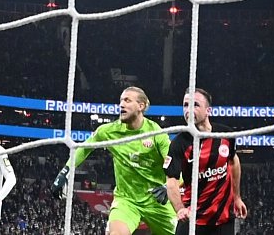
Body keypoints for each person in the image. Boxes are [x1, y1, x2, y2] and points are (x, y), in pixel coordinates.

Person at [51, 86, 176, 235]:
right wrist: (65, 171)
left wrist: (167, 186)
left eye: (127, 100)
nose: (122, 104)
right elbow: (84, 148)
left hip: (157, 201)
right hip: (127, 201)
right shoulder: (109, 131)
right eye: (121, 100)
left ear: (141, 106)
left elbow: (176, 165)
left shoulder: (157, 134)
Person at [164, 88, 248, 235]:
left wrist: (237, 197)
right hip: (193, 217)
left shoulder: (226, 134)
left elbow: (234, 162)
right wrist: (180, 209)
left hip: (223, 218)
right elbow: (171, 181)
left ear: (208, 110)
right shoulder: (179, 144)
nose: (188, 110)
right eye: (185, 105)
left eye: (195, 105)